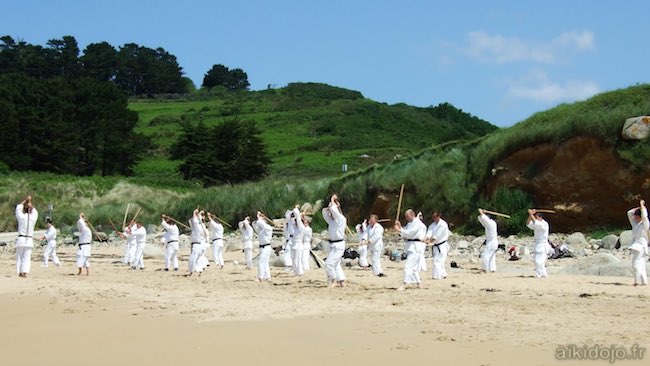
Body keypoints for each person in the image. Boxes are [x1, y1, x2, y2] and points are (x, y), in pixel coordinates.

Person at [395, 209, 427, 290]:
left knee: (408, 265)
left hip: (416, 246)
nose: (406, 218)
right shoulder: (410, 224)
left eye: (407, 216)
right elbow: (405, 233)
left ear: (412, 215)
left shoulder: (418, 223)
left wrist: (399, 229)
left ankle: (405, 283)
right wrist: (399, 227)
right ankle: (418, 283)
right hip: (411, 246)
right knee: (413, 267)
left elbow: (410, 233)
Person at [322, 194, 347, 287]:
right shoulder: (331, 221)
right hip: (333, 244)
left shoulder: (341, 219)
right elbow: (325, 213)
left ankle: (333, 279)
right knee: (336, 264)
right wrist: (329, 207)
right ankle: (341, 280)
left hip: (339, 244)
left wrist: (333, 200)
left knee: (329, 263)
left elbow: (334, 212)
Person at [15, 195, 38, 278]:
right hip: (29, 239)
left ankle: (20, 271)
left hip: (21, 239)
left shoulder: (21, 217)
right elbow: (35, 211)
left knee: (20, 256)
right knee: (27, 257)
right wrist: (30, 204)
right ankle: (24, 271)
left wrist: (25, 200)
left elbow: (18, 209)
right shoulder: (33, 218)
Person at [627, 200, 649, 286]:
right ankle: (644, 281)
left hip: (641, 246)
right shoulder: (635, 224)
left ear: (639, 216)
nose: (634, 217)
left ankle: (637, 281)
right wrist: (638, 207)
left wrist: (642, 205)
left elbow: (644, 216)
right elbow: (629, 213)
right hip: (637, 245)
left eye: (636, 216)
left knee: (635, 263)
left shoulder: (645, 224)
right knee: (641, 263)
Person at [426, 211, 450, 280]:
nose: (433, 218)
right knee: (438, 260)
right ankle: (443, 274)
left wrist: (429, 241)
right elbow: (429, 232)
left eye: (435, 217)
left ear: (438, 216)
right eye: (433, 217)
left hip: (442, 245)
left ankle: (437, 276)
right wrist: (427, 238)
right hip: (436, 246)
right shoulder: (432, 225)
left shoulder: (443, 224)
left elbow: (437, 235)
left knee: (438, 261)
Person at [527, 209, 550, 278]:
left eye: (536, 217)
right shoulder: (536, 224)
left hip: (543, 244)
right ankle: (541, 273)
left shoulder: (544, 224)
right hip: (537, 243)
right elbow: (528, 223)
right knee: (536, 260)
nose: (535, 219)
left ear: (540, 217)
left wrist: (531, 214)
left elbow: (536, 222)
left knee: (540, 260)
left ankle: (541, 274)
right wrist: (530, 215)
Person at [253, 211, 274, 282]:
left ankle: (260, 277)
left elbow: (261, 223)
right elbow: (255, 225)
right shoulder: (261, 230)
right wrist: (258, 218)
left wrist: (260, 218)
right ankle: (268, 277)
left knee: (261, 262)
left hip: (266, 247)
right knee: (265, 262)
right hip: (262, 247)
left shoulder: (268, 228)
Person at [188, 209, 208, 276]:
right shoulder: (203, 227)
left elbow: (194, 222)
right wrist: (198, 214)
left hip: (197, 244)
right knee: (198, 259)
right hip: (201, 244)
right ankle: (199, 270)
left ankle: (191, 271)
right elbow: (192, 222)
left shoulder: (199, 228)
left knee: (192, 259)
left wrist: (194, 213)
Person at [477, 209, 498, 273]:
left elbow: (484, 218)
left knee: (485, 255)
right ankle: (492, 269)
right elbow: (482, 220)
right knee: (491, 256)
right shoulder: (490, 224)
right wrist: (482, 214)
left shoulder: (490, 223)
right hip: (493, 242)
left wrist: (481, 212)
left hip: (491, 242)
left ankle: (484, 269)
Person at [291, 206, 305, 277]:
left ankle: (300, 272)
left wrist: (296, 209)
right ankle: (296, 272)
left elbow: (298, 220)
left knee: (298, 259)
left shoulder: (301, 228)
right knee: (294, 259)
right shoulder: (295, 228)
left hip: (299, 244)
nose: (295, 222)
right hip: (294, 244)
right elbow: (291, 220)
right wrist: (293, 213)